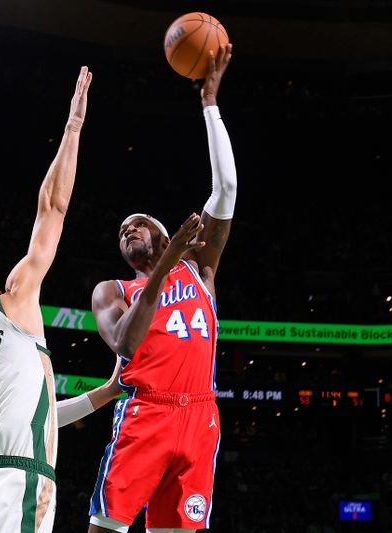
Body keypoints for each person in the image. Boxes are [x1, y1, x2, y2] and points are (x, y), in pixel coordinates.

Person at [0, 67, 120, 533]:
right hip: (14, 484)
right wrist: (73, 126)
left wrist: (103, 394)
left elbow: (33, 409)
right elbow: (52, 208)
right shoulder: (12, 301)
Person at [88, 44, 236, 533]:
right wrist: (168, 259)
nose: (127, 230)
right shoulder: (113, 290)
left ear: (162, 232)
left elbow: (227, 189)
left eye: (137, 224)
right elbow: (127, 343)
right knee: (104, 529)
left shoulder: (200, 269)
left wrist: (210, 106)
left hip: (200, 415)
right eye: (121, 231)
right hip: (144, 413)